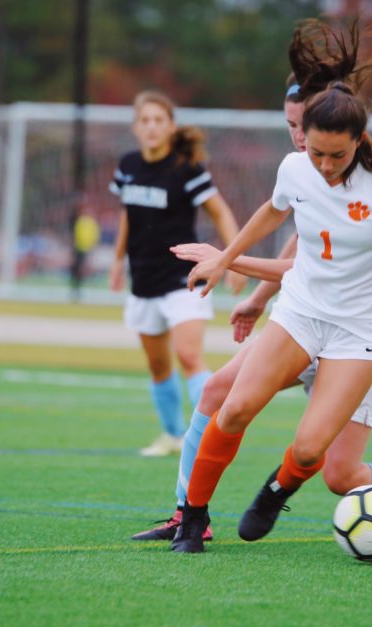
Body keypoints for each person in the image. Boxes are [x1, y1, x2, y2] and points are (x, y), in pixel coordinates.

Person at [131, 21, 372, 558]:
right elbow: (285, 232)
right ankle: (192, 519)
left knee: (338, 471)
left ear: (356, 139)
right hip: (302, 316)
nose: (319, 162)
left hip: (361, 333)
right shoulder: (299, 169)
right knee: (223, 400)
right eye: (301, 137)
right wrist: (232, 268)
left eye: (332, 154)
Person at [109, 90, 246, 457]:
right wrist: (116, 259)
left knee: (188, 356)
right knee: (157, 365)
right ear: (136, 127)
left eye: (159, 120)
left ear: (171, 127)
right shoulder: (127, 165)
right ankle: (172, 435)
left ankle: (207, 436)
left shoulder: (186, 169)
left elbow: (220, 212)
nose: (151, 127)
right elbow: (126, 215)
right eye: (145, 120)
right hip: (144, 281)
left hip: (184, 280)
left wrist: (231, 260)